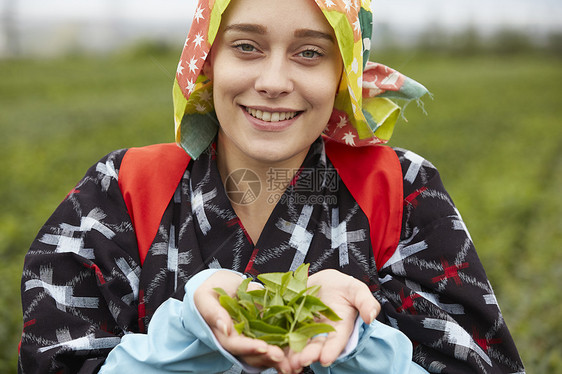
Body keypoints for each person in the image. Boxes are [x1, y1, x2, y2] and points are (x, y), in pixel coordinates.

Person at [18, 0, 525, 373]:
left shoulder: (398, 188)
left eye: (309, 52)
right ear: (207, 60)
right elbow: (55, 360)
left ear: (343, 73)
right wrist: (186, 333)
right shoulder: (123, 191)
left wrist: (358, 344)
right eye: (246, 47)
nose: (274, 80)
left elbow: (477, 363)